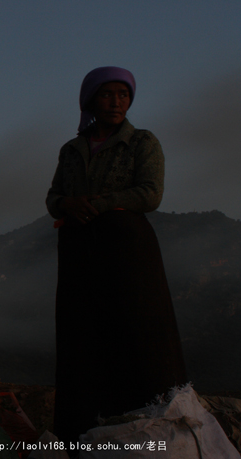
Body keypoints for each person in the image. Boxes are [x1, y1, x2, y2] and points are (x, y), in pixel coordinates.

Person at [45, 66, 187, 446]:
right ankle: (79, 435)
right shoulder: (72, 150)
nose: (116, 101)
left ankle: (147, 435)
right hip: (79, 254)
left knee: (139, 333)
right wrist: (67, 204)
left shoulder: (142, 142)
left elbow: (150, 194)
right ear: (91, 99)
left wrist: (97, 205)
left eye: (123, 95)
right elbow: (53, 198)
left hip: (128, 252)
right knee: (81, 338)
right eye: (107, 94)